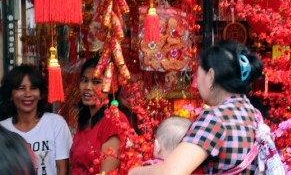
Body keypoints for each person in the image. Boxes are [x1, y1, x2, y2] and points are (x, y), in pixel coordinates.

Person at [129, 40, 268, 175]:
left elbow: (171, 172)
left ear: (211, 76)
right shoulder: (253, 114)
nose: (196, 83)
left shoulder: (215, 118)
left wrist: (134, 172)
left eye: (197, 74)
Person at [0, 64, 72, 175]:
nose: (28, 94)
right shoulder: (3, 129)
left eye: (33, 88)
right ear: (10, 95)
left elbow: (63, 169)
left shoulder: (56, 124)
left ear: (40, 94)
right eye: (21, 88)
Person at [70, 56, 130, 175]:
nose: (87, 87)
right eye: (84, 80)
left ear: (111, 86)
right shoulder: (84, 120)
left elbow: (107, 172)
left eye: (96, 82)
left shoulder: (114, 120)